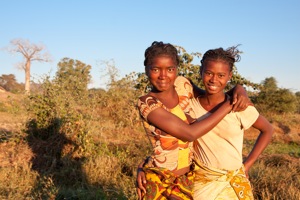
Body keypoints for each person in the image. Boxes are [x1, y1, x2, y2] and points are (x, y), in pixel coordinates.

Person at [137, 41, 251, 200]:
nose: (163, 76)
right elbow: (189, 134)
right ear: (146, 70)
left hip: (188, 179)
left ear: (176, 69)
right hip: (160, 181)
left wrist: (239, 89)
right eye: (155, 69)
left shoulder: (183, 85)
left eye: (170, 69)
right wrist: (228, 105)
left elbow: (213, 93)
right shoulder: (147, 103)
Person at [186, 46, 273, 199]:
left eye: (221, 75)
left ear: (229, 76)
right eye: (209, 73)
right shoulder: (190, 106)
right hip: (201, 184)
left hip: (233, 184)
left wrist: (247, 165)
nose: (214, 79)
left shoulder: (239, 105)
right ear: (201, 72)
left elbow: (268, 130)